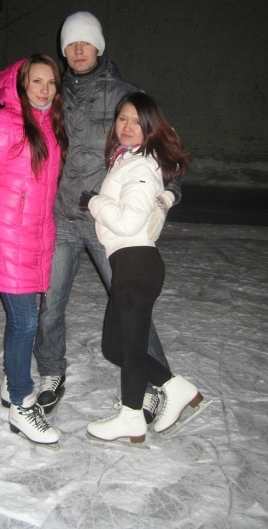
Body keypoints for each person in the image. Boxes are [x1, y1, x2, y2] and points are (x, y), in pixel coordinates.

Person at [33, 11, 181, 422]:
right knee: (50, 305)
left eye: (86, 42)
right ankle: (51, 371)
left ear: (98, 46)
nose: (78, 50)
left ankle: (155, 387)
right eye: (70, 44)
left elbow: (166, 154)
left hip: (107, 223)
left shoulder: (126, 95)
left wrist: (167, 197)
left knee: (130, 306)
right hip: (62, 218)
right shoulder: (53, 94)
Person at [83, 91, 204, 443]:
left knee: (132, 348)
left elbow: (128, 220)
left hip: (135, 264)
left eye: (137, 121)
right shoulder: (127, 159)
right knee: (114, 347)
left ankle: (131, 416)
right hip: (129, 265)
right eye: (123, 118)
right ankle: (175, 387)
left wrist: (94, 202)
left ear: (150, 127)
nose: (127, 126)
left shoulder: (141, 164)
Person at [0, 54, 68, 447]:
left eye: (51, 82)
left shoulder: (49, 125)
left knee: (22, 321)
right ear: (21, 84)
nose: (44, 89)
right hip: (6, 240)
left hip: (34, 239)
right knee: (26, 322)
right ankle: (22, 404)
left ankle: (11, 385)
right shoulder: (3, 122)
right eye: (36, 81)